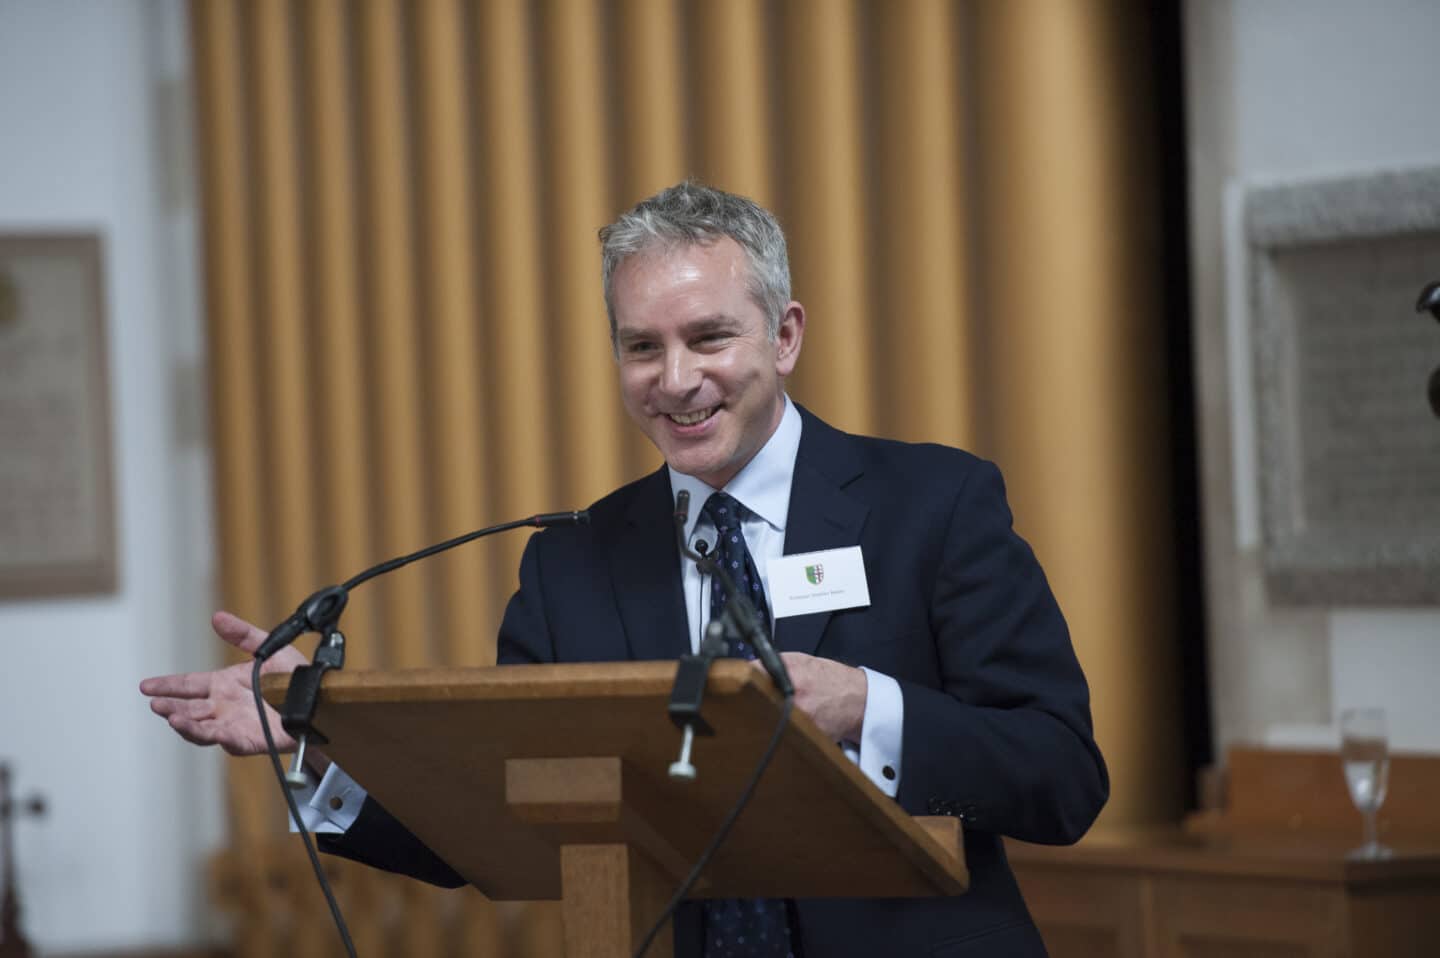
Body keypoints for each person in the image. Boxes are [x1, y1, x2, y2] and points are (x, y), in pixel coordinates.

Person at [142, 182, 1107, 956]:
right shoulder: (573, 563)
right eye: (642, 347)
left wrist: (866, 706)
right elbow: (491, 819)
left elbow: (1062, 777)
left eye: (709, 337)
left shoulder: (931, 505)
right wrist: (319, 744)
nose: (676, 380)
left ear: (785, 336)